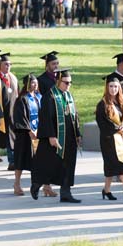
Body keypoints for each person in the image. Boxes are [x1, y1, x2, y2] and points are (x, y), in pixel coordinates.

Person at [31, 69, 82, 203]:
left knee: (68, 165)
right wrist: (51, 136)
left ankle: (65, 193)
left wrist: (78, 134)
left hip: (69, 138)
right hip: (54, 138)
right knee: (48, 165)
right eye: (66, 83)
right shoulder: (50, 96)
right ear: (58, 81)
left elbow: (75, 116)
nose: (68, 85)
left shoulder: (69, 96)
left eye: (70, 83)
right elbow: (46, 118)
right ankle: (36, 184)